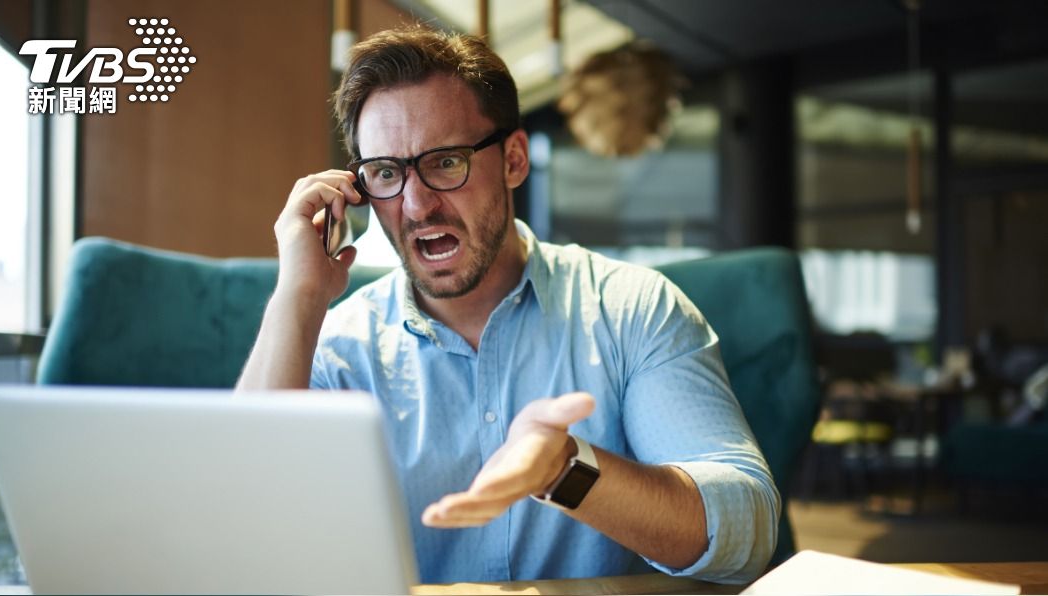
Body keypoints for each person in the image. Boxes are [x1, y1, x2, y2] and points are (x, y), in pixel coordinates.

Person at [237, 26, 779, 585]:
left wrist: (566, 469)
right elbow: (237, 532)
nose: (417, 205)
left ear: (514, 159)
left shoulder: (632, 309)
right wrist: (298, 298)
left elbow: (746, 534)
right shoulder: (338, 347)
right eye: (386, 173)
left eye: (446, 162)